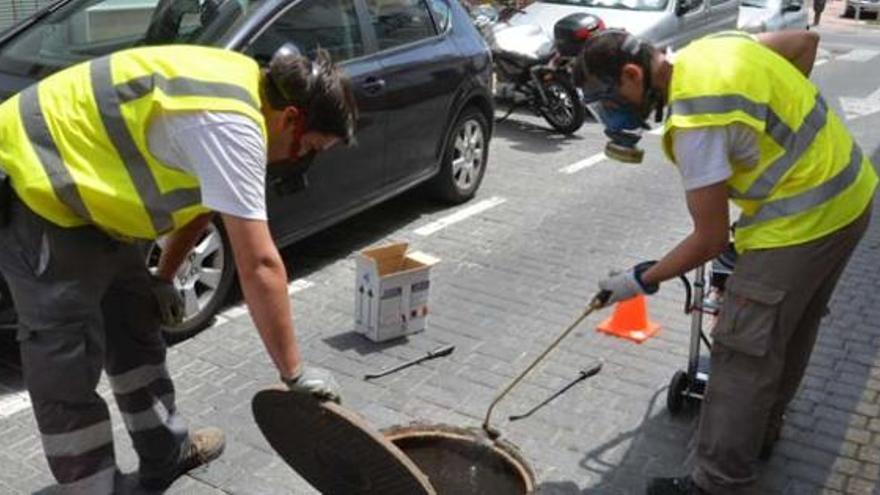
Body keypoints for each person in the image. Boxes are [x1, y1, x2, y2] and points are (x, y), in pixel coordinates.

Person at [0, 43, 357, 494]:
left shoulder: (248, 90)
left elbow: (201, 204)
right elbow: (261, 264)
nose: (300, 158)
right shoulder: (234, 125)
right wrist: (294, 374)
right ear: (290, 118)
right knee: (65, 361)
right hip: (40, 191)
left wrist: (164, 276)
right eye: (308, 146)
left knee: (137, 326)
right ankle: (92, 487)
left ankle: (166, 453)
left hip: (101, 208)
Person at [576, 29, 876, 494]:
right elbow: (805, 43)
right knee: (790, 330)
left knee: (742, 352)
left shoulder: (696, 120)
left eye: (610, 98)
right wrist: (772, 140)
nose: (613, 112)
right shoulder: (717, 47)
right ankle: (760, 432)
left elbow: (711, 238)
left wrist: (640, 279)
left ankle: (717, 483)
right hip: (851, 194)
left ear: (633, 74)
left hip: (801, 224)